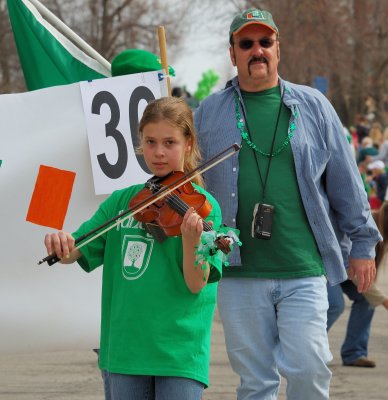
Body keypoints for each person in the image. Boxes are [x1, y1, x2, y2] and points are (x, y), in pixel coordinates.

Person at [194, 7, 381, 400]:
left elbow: (347, 182)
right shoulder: (208, 113)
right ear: (233, 53)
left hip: (303, 267)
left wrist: (363, 244)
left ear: (279, 49)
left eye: (265, 42)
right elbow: (171, 165)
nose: (256, 51)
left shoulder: (314, 105)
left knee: (311, 369)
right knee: (256, 382)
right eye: (246, 44)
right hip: (238, 273)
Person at [43, 97, 237, 400]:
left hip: (179, 351)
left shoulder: (205, 208)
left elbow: (196, 283)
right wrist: (63, 245)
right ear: (140, 143)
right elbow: (78, 250)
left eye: (169, 142)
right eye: (150, 142)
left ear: (188, 144)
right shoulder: (123, 202)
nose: (158, 152)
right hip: (125, 348)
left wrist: (190, 240)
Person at [327, 202, 388, 367]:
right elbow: (355, 267)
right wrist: (383, 299)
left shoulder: (381, 228)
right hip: (328, 264)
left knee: (367, 300)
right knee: (334, 305)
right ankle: (305, 347)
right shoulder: (367, 225)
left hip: (346, 269)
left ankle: (354, 353)